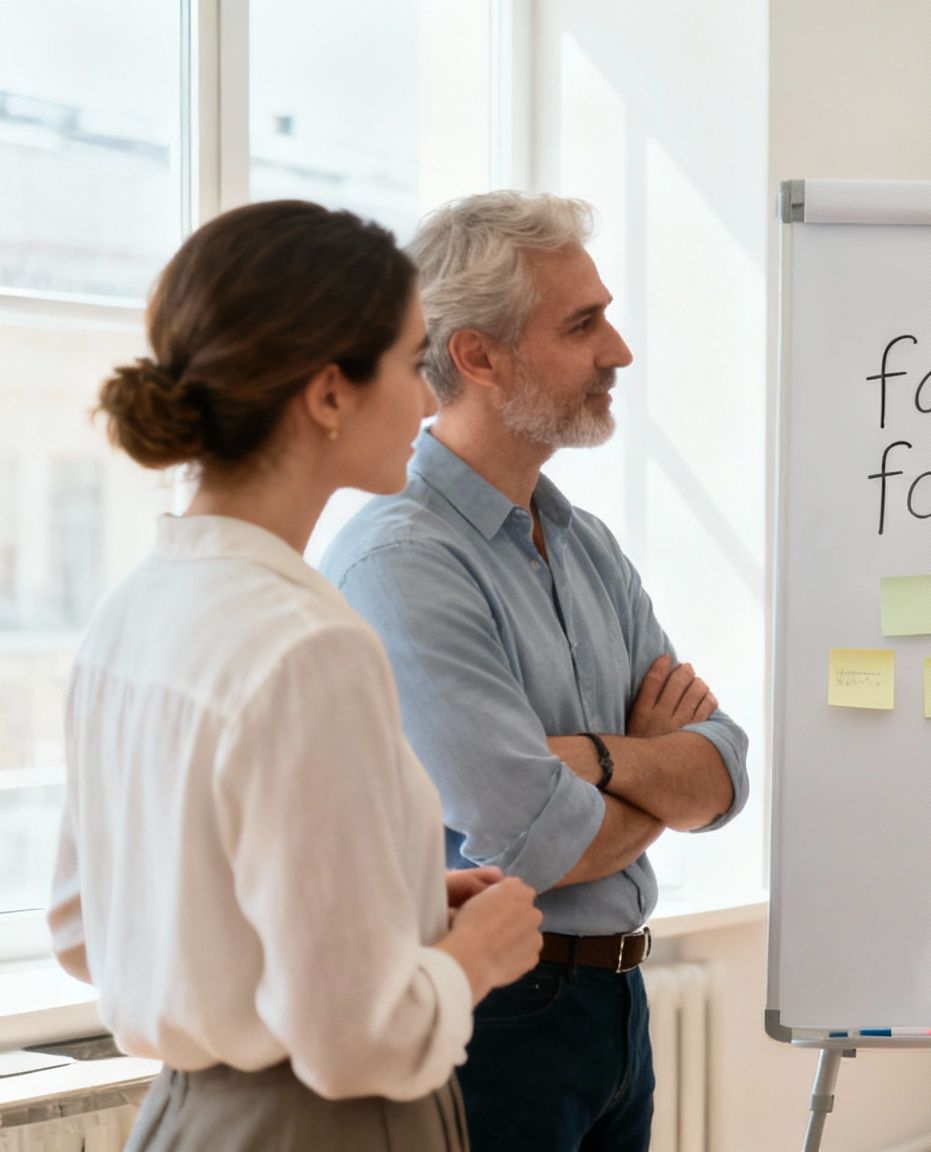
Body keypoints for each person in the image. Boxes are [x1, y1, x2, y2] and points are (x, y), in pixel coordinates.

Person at [47, 200, 543, 1150]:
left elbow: (83, 930)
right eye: (409, 362)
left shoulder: (130, 613)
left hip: (185, 1121)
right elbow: (356, 1037)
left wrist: (390, 895)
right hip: (322, 1127)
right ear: (327, 394)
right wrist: (471, 960)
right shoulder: (309, 647)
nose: (431, 400)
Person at [321, 190, 751, 1152]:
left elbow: (725, 772)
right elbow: (534, 840)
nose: (620, 352)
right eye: (584, 324)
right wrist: (648, 760)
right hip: (497, 1021)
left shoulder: (585, 542)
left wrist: (594, 759)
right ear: (478, 355)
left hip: (615, 1008)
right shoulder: (402, 561)